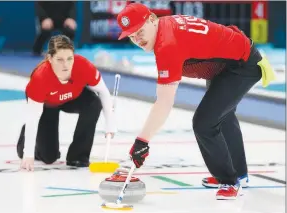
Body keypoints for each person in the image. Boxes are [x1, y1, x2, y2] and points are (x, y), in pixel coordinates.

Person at [116, 3, 275, 200]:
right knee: (221, 116)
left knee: (204, 123)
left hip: (242, 64)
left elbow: (164, 102)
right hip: (226, 62)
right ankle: (240, 175)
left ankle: (229, 180)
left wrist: (142, 142)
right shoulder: (164, 28)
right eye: (132, 36)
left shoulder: (167, 44)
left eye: (139, 31)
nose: (137, 39)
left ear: (152, 19)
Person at [17, 34, 116, 171]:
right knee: (49, 157)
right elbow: (33, 118)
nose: (66, 65)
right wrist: (27, 155)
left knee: (94, 102)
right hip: (47, 105)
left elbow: (103, 92)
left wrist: (110, 123)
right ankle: (24, 139)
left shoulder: (83, 66)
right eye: (60, 60)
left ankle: (77, 156)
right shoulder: (40, 79)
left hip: (72, 98)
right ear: (49, 58)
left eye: (70, 59)